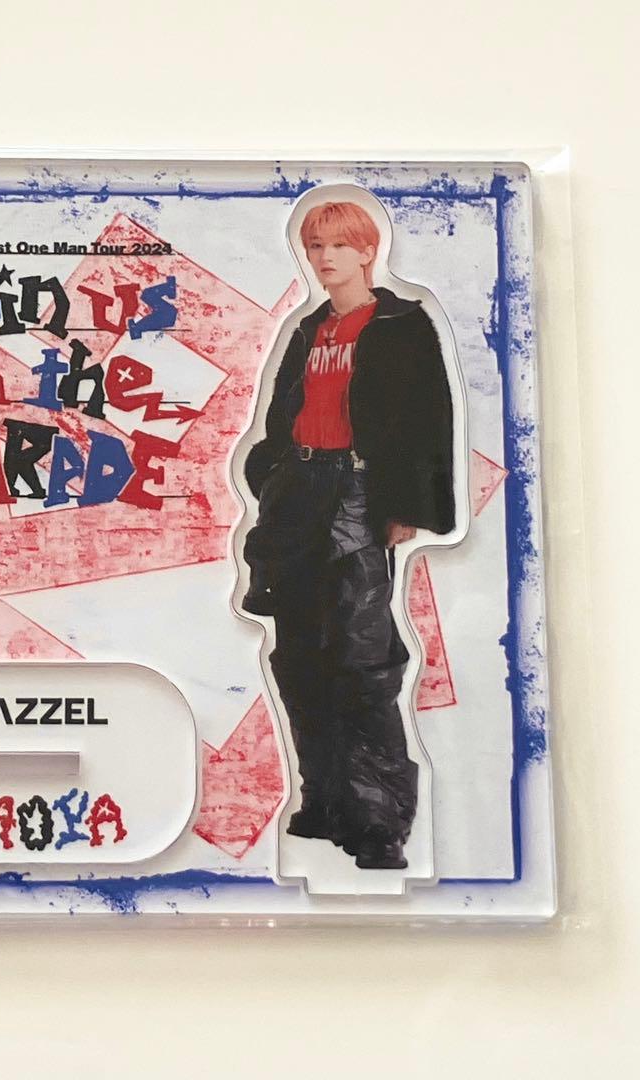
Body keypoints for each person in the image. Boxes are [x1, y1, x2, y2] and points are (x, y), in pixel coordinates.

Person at [242, 200, 455, 870]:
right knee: (299, 656)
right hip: (298, 493)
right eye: (316, 246)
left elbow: (429, 418)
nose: (326, 257)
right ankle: (327, 802)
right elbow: (283, 414)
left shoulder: (399, 324)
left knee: (362, 660)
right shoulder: (310, 329)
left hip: (358, 492)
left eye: (339, 244)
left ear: (367, 251)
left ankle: (380, 823)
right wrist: (270, 474)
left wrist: (407, 503)